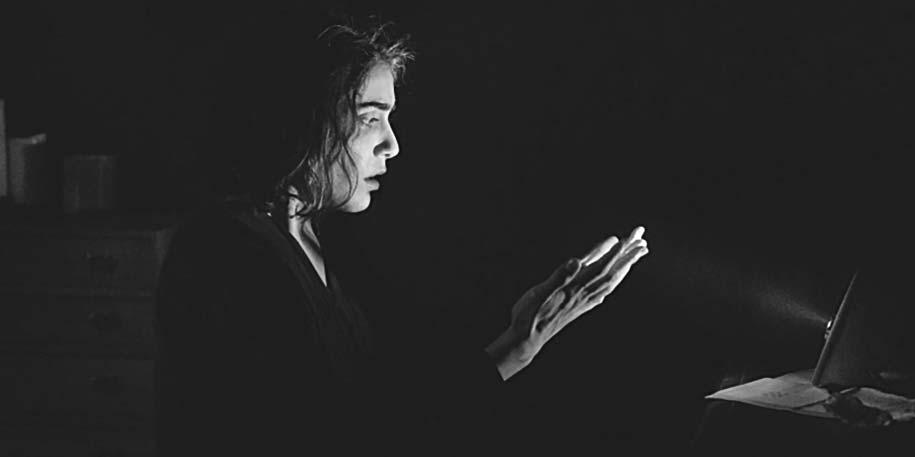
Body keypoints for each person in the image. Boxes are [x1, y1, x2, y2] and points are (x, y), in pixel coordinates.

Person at [155, 21, 648, 455]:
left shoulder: (310, 241)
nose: (391, 144)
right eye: (370, 117)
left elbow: (376, 406)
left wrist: (522, 339)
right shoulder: (225, 253)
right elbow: (342, 436)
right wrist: (517, 347)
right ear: (307, 119)